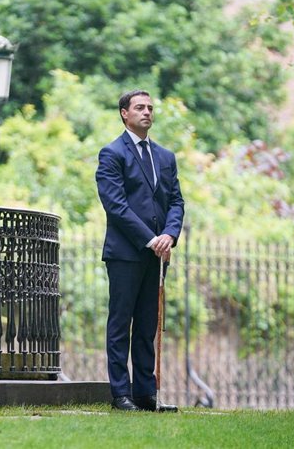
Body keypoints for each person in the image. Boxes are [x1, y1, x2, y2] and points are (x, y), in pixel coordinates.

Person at [95, 90, 184, 412]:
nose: (146, 112)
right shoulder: (112, 154)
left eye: (150, 107)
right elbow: (116, 206)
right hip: (125, 253)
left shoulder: (165, 157)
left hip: (157, 254)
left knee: (148, 325)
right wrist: (151, 239)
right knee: (121, 325)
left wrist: (170, 235)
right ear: (124, 113)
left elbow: (176, 201)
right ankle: (121, 395)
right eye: (139, 107)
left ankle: (147, 395)